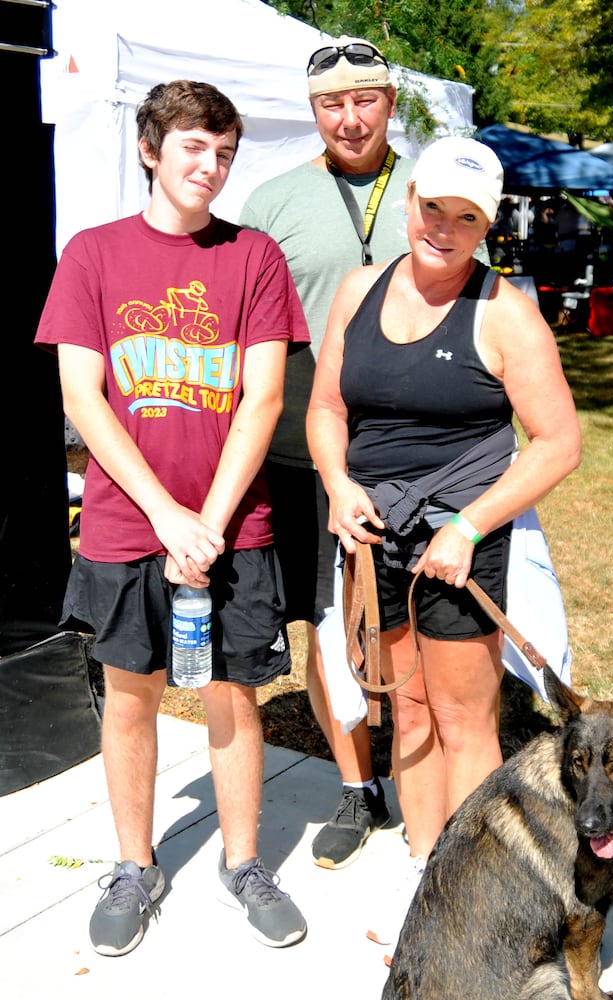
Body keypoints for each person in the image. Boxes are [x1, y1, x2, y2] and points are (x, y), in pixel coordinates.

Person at [34, 80, 310, 956]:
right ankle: (133, 865)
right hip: (125, 527)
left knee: (232, 693)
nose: (211, 167)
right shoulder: (93, 254)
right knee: (131, 699)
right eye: (194, 147)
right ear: (151, 149)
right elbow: (83, 394)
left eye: (224, 153)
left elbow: (262, 398)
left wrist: (211, 523)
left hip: (235, 528)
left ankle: (243, 863)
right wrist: (166, 517)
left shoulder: (253, 257)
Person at [306, 135, 582, 949]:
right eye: (434, 207)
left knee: (465, 719)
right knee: (409, 708)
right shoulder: (359, 289)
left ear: (485, 227)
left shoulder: (505, 313)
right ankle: (426, 865)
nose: (444, 228)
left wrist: (468, 525)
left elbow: (558, 441)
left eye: (466, 218)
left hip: (459, 537)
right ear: (409, 200)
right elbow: (326, 409)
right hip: (372, 531)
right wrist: (338, 484)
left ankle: (470, 892)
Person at [238, 36, 417, 871]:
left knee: (417, 626)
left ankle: (428, 785)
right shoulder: (273, 201)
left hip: (417, 444)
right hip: (304, 449)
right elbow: (249, 335)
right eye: (331, 104)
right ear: (313, 112)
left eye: (366, 99)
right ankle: (358, 789)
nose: (350, 118)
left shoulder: (433, 187)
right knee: (325, 627)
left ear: (391, 102)